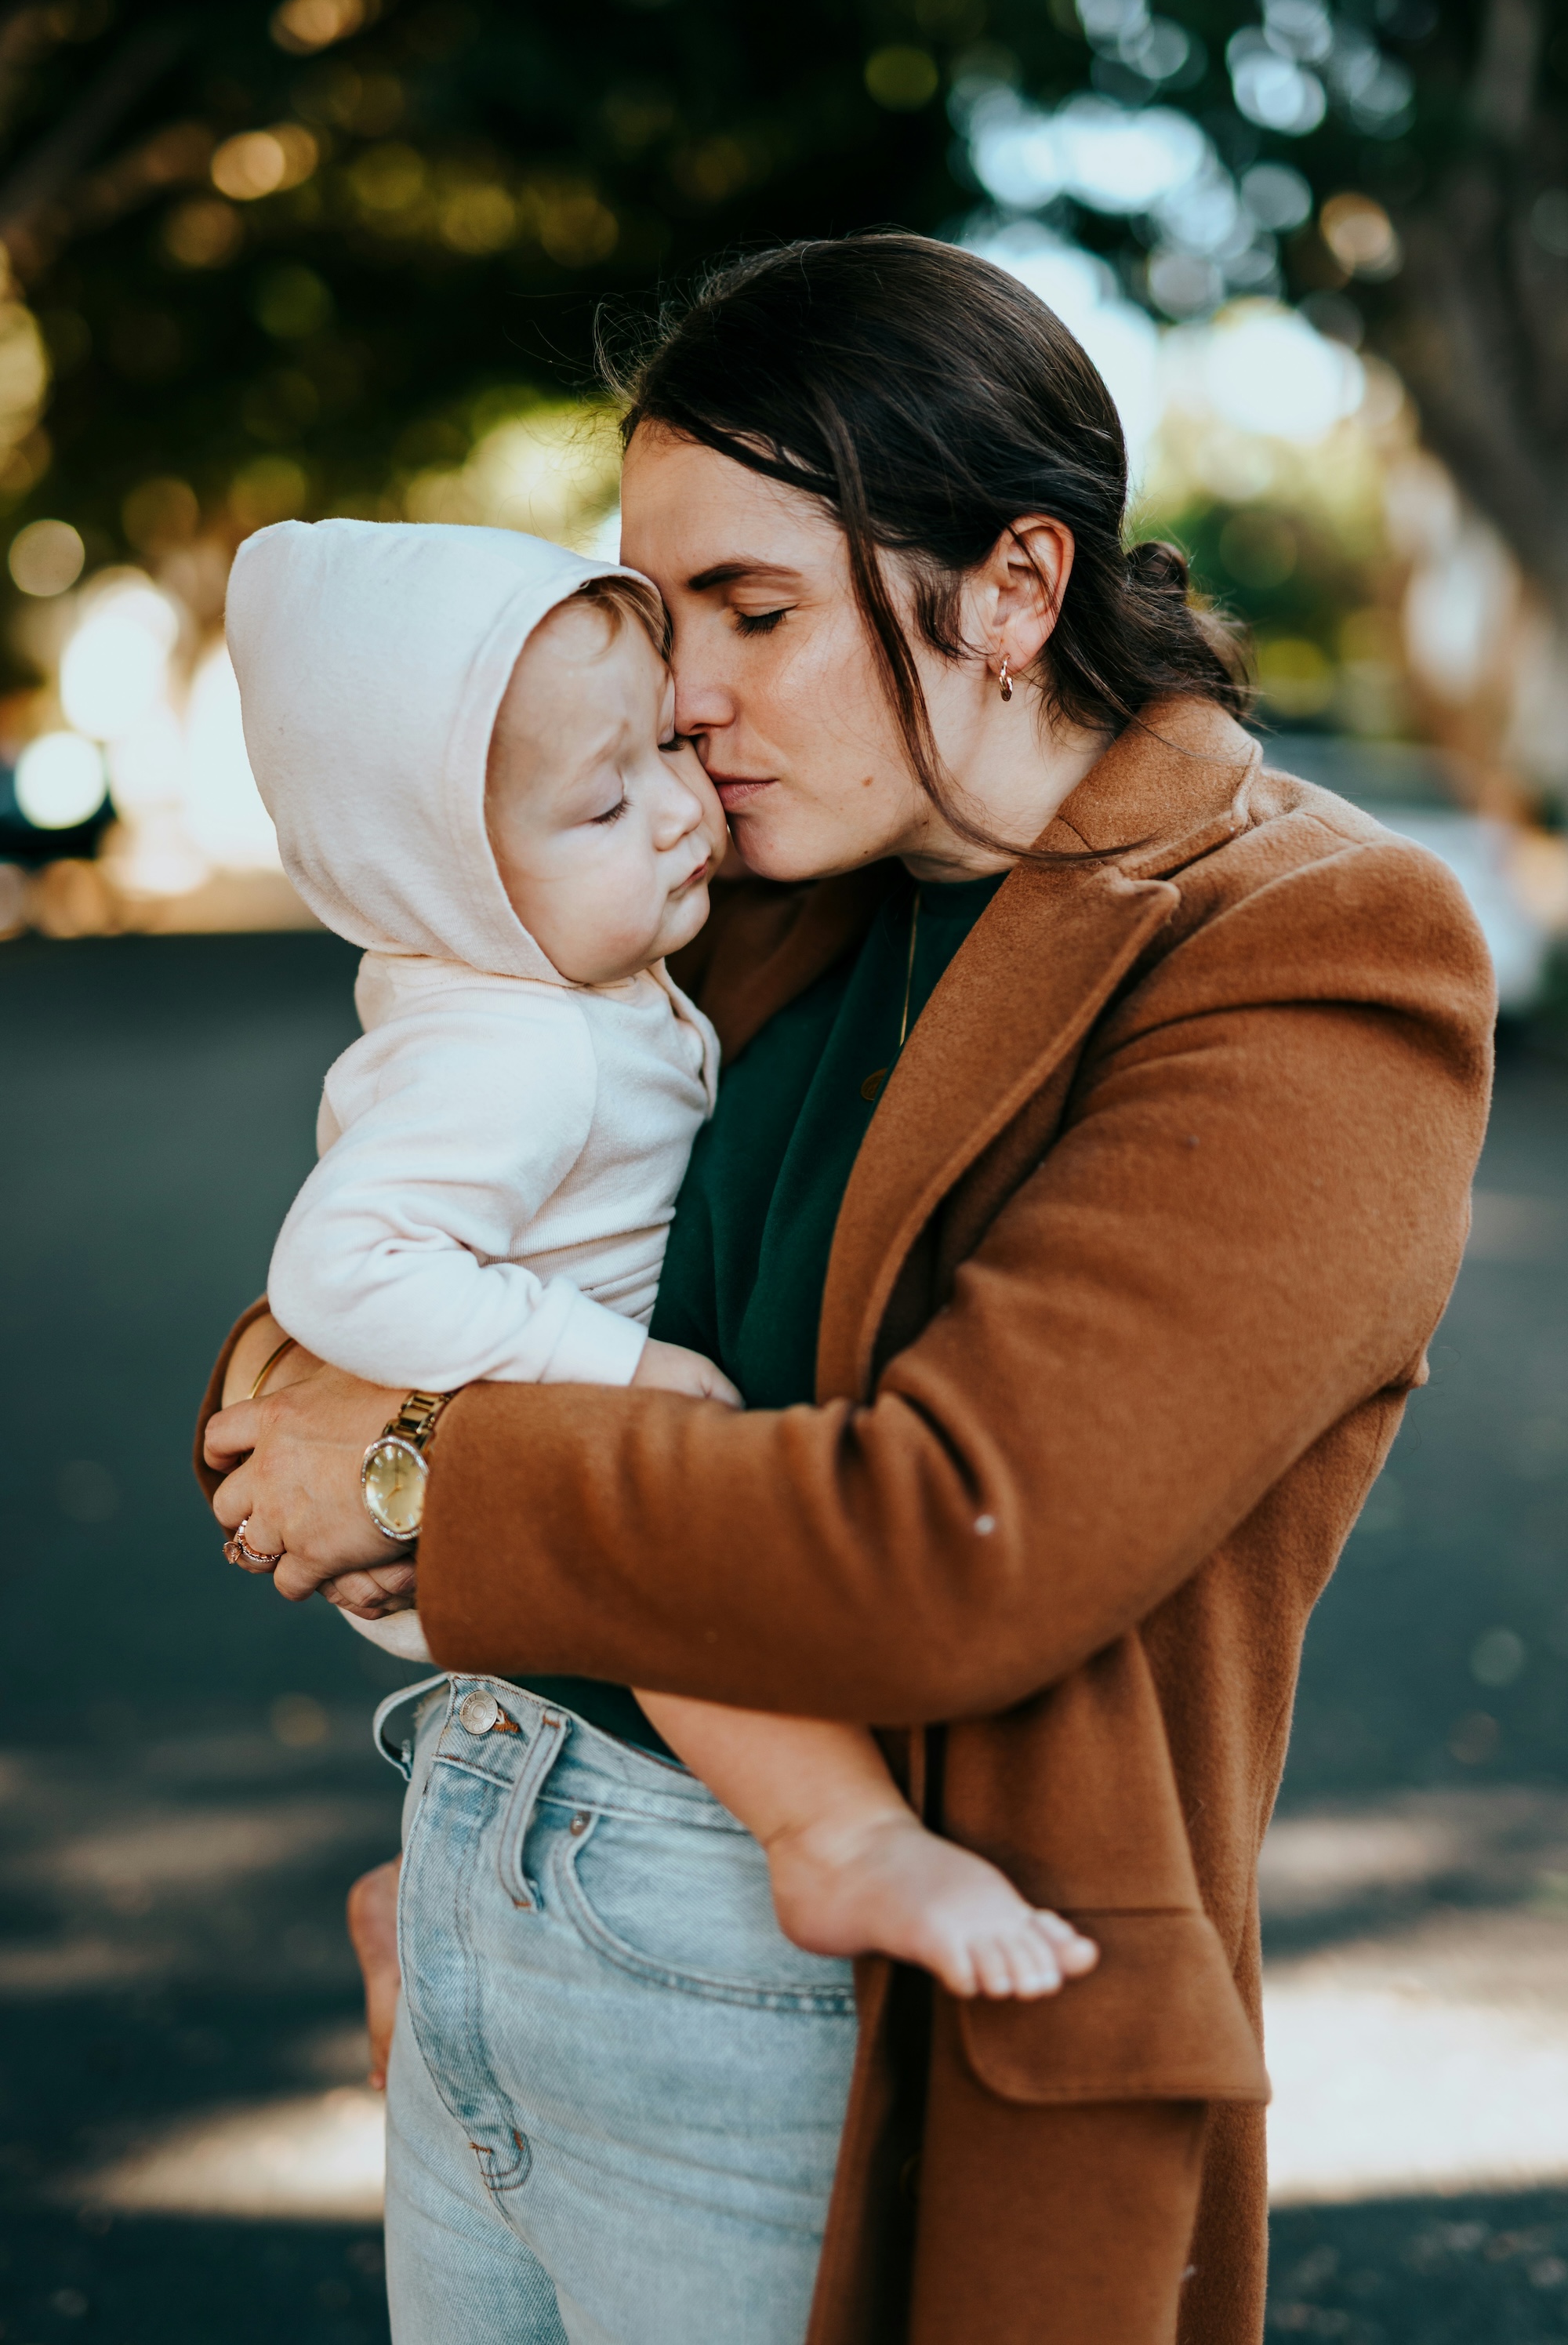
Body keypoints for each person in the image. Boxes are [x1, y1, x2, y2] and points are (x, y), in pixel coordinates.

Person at [198, 234, 1495, 2345]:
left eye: (757, 609)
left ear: (1014, 588)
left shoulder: (1310, 945)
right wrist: (471, 1900)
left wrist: (429, 1476)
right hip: (477, 1901)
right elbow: (354, 1292)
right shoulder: (743, 883)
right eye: (661, 607)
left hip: (828, 1994)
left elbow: (952, 1546)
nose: (682, 695)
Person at [226, 513, 1098, 2002]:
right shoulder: (513, 1049)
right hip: (528, 1499)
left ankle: (417, 1888)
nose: (685, 806)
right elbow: (336, 1270)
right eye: (600, 805)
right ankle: (833, 1835)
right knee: (675, 1526)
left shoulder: (584, 960)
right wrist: (608, 1369)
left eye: (662, 756)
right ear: (451, 877)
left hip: (477, 1509)